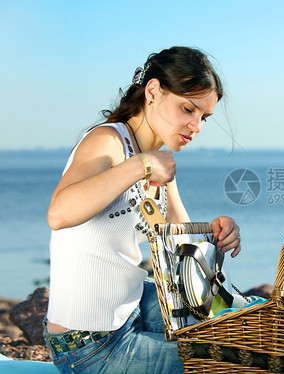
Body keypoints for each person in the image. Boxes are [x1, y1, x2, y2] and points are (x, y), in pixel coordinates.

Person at [43, 46, 242, 373]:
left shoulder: (160, 164)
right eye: (188, 109)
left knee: (234, 327)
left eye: (203, 117)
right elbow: (58, 214)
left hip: (133, 306)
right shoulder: (108, 141)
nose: (196, 126)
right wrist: (142, 165)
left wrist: (217, 233)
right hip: (89, 343)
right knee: (219, 365)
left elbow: (182, 247)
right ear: (153, 91)